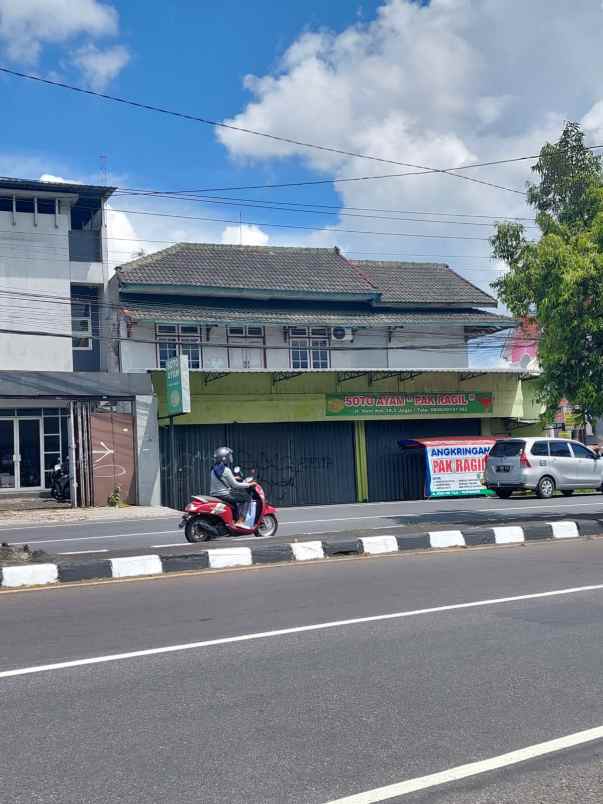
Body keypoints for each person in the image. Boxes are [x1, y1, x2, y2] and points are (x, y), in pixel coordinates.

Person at [210, 446, 254, 526]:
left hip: (215, 494)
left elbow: (222, 478)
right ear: (224, 457)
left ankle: (233, 520)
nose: (230, 457)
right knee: (247, 498)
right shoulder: (226, 470)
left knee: (234, 503)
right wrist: (249, 484)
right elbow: (235, 485)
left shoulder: (214, 469)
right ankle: (241, 521)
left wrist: (233, 477)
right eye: (229, 455)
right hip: (224, 495)